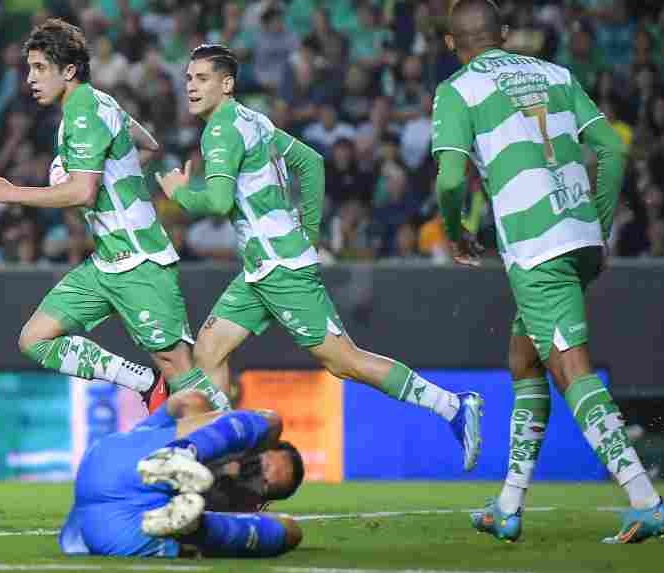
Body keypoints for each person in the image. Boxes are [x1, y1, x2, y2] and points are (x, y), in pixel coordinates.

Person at [157, 44, 483, 472]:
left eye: (202, 78)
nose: (191, 87)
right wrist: (308, 232)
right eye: (188, 79)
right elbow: (310, 162)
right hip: (264, 267)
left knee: (342, 360)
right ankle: (226, 460)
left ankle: (453, 406)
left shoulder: (220, 129)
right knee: (209, 352)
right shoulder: (254, 120)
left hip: (280, 269)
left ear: (227, 84)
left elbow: (217, 203)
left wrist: (178, 192)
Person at [431, 0, 664, 544]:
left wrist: (456, 231)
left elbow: (448, 180)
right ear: (506, 34)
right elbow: (612, 149)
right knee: (525, 360)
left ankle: (646, 499)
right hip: (579, 232)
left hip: (537, 246)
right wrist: (600, 226)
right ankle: (508, 505)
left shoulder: (458, 90)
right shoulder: (556, 73)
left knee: (569, 370)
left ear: (451, 44)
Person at [0, 19, 229, 412]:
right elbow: (149, 145)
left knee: (180, 371)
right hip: (106, 262)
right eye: (30, 68)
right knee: (35, 338)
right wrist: (119, 172)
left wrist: (11, 193)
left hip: (140, 260)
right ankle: (143, 382)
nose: (30, 79)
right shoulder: (99, 103)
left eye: (40, 68)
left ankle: (240, 449)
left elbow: (82, 191)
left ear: (69, 70)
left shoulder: (83, 114)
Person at [59, 390, 303, 558]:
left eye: (265, 483)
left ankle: (190, 521)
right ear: (255, 450)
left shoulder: (233, 506)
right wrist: (220, 445)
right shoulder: (210, 438)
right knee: (271, 421)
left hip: (120, 529)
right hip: (119, 471)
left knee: (291, 532)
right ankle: (184, 453)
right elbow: (189, 400)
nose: (256, 475)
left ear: (258, 500)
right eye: (259, 466)